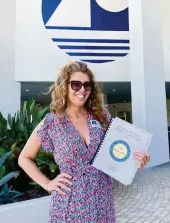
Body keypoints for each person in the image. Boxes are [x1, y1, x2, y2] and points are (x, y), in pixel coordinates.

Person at [18, 61, 150, 223]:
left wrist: (138, 159)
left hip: (102, 201)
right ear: (64, 87)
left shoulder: (101, 117)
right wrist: (47, 183)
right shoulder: (52, 122)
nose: (82, 90)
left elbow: (119, 151)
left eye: (87, 86)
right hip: (69, 204)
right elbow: (24, 158)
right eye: (76, 85)